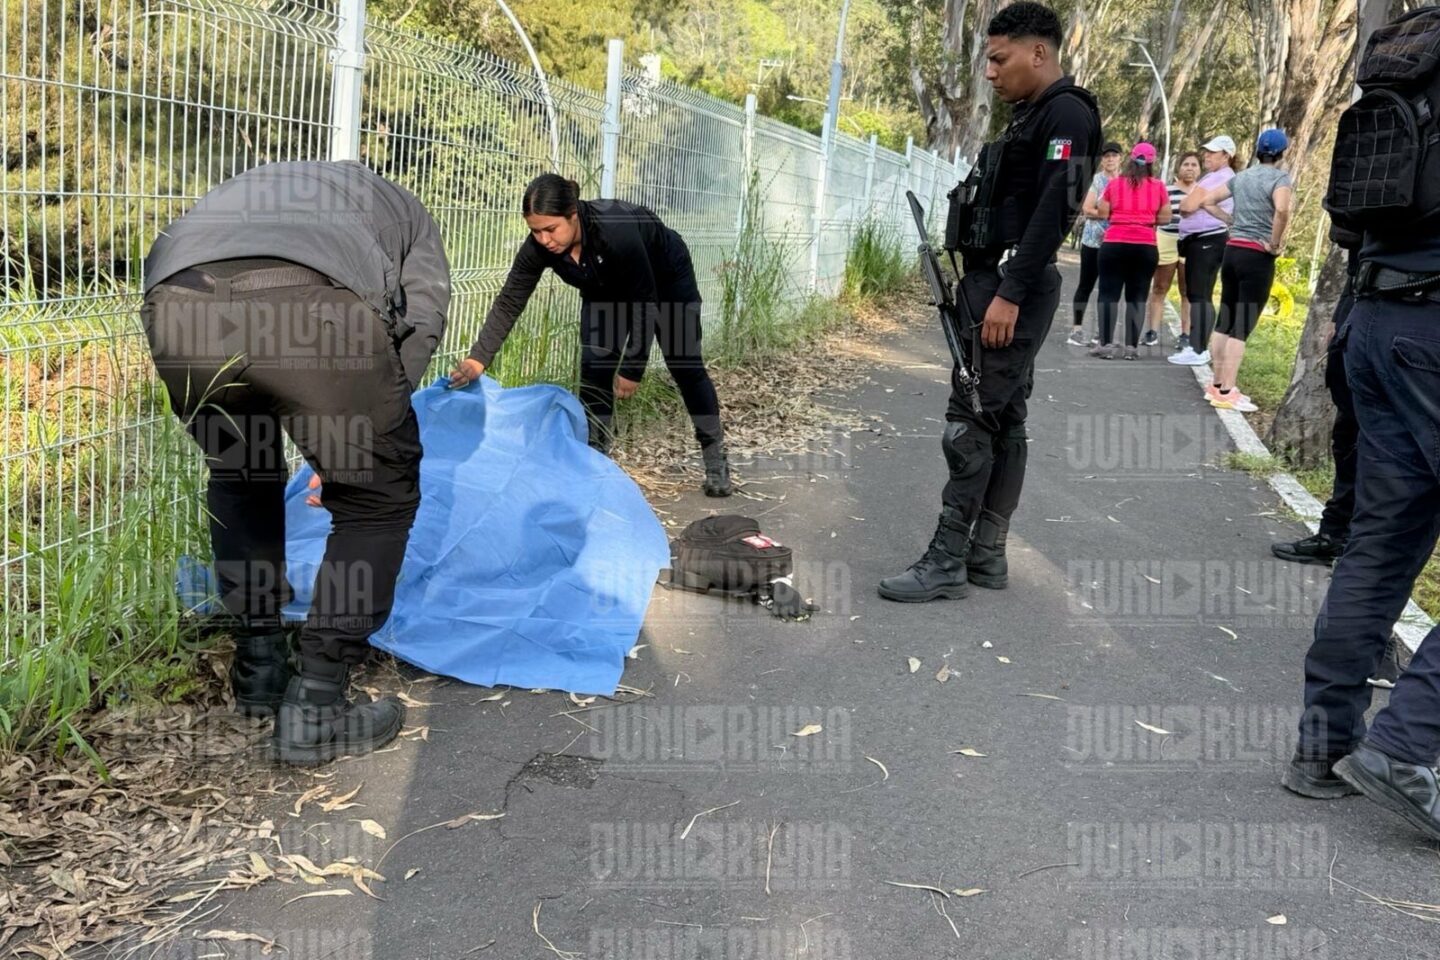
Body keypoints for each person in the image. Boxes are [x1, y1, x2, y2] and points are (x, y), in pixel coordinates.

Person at [142, 160, 451, 764]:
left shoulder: (265, 181)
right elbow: (421, 318)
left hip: (179, 306)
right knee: (376, 500)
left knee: (243, 476)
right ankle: (318, 702)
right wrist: (365, 438)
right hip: (307, 302)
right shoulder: (407, 210)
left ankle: (259, 670)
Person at [879, 1, 1100, 602]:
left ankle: (947, 560)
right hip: (993, 283)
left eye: (1000, 59)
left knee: (970, 421)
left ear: (1039, 52)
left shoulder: (1068, 116)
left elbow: (1057, 209)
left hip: (1010, 289)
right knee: (1004, 418)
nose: (991, 72)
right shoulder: (1033, 117)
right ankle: (986, 556)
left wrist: (1009, 292)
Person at [450, 175, 732, 496]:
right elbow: (510, 300)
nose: (543, 239)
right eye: (535, 231)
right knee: (594, 371)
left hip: (665, 279)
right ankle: (595, 468)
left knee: (685, 365)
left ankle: (715, 459)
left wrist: (632, 367)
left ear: (573, 214)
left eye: (550, 229)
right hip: (605, 292)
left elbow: (644, 298)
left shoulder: (616, 229)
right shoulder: (540, 248)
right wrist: (478, 358)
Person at [1182, 129, 1293, 412]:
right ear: (1282, 153)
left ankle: (1217, 385)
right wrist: (1275, 243)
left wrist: (1231, 221)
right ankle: (1228, 391)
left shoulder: (1241, 177)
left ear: (1258, 151)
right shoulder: (1279, 178)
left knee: (1225, 321)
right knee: (1241, 328)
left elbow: (1207, 201)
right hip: (1257, 255)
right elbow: (1281, 210)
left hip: (1232, 251)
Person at [1089, 143, 1169, 360]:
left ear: (1130, 160)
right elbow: (1165, 218)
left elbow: (1104, 212)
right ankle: (1131, 348)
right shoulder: (1159, 186)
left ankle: (1105, 345)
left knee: (1108, 294)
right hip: (1145, 245)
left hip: (1115, 242)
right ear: (1152, 163)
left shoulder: (1115, 184)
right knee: (1137, 297)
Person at [1169, 135, 1237, 365]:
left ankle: (1198, 349)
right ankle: (1197, 347)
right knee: (1199, 293)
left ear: (1226, 156)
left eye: (1213, 152)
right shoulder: (1214, 177)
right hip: (1199, 241)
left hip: (1207, 240)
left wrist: (1192, 205)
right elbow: (1187, 209)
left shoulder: (1219, 178)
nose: (1207, 155)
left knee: (1200, 294)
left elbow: (1186, 206)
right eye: (1206, 151)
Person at [1065, 142, 1123, 347]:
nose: (1110, 159)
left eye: (1113, 156)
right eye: (1106, 156)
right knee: (1086, 285)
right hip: (1092, 241)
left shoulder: (1126, 181)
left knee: (1110, 290)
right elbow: (1087, 209)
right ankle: (1077, 329)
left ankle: (1102, 332)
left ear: (1120, 158)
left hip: (1116, 242)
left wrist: (1105, 212)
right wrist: (1107, 213)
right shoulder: (1096, 181)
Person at [1143, 151, 1201, 347]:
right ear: (1179, 168)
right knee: (1159, 287)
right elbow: (1155, 215)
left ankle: (1185, 335)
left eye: (1194, 165)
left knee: (1187, 291)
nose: (1190, 168)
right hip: (1166, 239)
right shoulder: (1166, 190)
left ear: (1199, 169)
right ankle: (1152, 331)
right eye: (1186, 164)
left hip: (1191, 242)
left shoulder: (1203, 192)